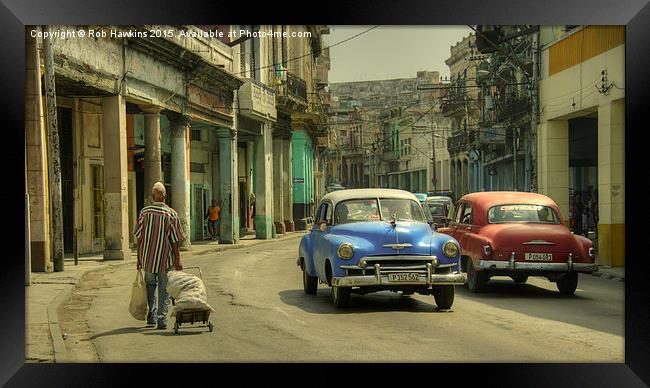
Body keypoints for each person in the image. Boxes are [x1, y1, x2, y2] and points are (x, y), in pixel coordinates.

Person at [134, 182, 184, 329]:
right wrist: (177, 259)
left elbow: (139, 236)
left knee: (150, 286)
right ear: (165, 196)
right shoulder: (171, 214)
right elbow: (175, 240)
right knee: (164, 288)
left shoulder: (144, 212)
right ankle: (162, 319)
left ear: (153, 196)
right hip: (165, 259)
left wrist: (138, 258)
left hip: (148, 258)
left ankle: (152, 316)